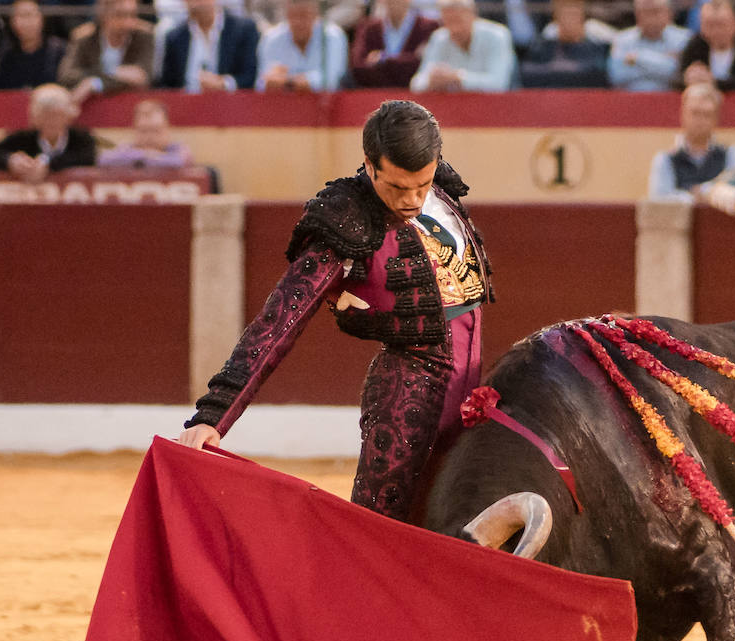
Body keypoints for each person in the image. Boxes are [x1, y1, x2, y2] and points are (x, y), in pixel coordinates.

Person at [178, 100, 493, 523]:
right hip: (408, 396)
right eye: (398, 188)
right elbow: (281, 318)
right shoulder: (347, 218)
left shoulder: (439, 190)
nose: (414, 200)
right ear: (371, 164)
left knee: (462, 522)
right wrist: (214, 414)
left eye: (422, 184)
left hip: (471, 393)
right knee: (379, 526)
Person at [0, 82, 98, 180]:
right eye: (45, 115)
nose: (51, 121)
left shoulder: (82, 138)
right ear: (35, 118)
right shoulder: (23, 138)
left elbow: (88, 158)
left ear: (68, 117)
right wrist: (9, 160)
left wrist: (48, 165)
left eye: (57, 115)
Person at [647, 83, 735, 201]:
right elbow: (659, 200)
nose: (700, 121)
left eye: (707, 115)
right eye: (695, 113)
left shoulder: (731, 154)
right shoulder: (665, 159)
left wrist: (702, 192)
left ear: (716, 119)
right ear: (683, 115)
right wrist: (699, 196)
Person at [58, 0, 154, 104]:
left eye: (133, 15)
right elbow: (67, 75)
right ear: (104, 15)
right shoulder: (84, 37)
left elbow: (143, 77)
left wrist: (95, 83)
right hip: (92, 105)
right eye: (120, 15)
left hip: (131, 102)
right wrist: (114, 74)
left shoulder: (144, 35)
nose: (128, 23)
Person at [409, 0, 515, 92]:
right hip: (453, 108)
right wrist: (431, 81)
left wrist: (458, 78)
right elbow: (416, 84)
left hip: (497, 108)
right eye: (448, 22)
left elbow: (498, 84)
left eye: (458, 20)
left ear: (473, 15)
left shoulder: (498, 35)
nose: (455, 29)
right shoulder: (439, 38)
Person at [161, 0, 258, 91]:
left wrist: (223, 84)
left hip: (230, 103)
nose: (196, 3)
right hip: (187, 104)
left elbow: (250, 76)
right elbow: (168, 83)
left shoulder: (243, 30)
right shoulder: (175, 37)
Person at [676, 0, 735, 91]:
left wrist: (714, 82)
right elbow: (676, 78)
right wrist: (688, 79)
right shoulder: (695, 45)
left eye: (721, 24)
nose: (716, 31)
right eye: (710, 25)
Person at [255, 0, 348, 91]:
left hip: (325, 105)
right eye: (293, 16)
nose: (298, 22)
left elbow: (329, 82)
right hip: (283, 104)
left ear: (316, 15)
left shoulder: (333, 36)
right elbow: (262, 84)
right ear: (286, 15)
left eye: (304, 15)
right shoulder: (271, 39)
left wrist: (287, 82)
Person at [348, 0, 439, 88]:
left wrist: (382, 59)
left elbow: (422, 66)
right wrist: (404, 63)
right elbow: (358, 66)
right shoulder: (368, 28)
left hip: (416, 99)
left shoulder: (429, 27)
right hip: (375, 96)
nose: (395, 1)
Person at [519, 0, 610, 88]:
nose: (569, 19)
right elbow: (527, 72)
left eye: (574, 14)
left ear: (582, 15)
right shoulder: (545, 45)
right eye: (565, 14)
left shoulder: (595, 46)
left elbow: (596, 73)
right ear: (556, 16)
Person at [607, 0, 690, 91]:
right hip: (630, 99)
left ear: (669, 13)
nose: (651, 17)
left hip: (671, 99)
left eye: (656, 11)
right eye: (645, 12)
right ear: (636, 15)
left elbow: (677, 75)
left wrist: (637, 59)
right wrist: (664, 62)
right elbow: (617, 76)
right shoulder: (622, 39)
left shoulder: (684, 39)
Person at [0, 0, 65, 90]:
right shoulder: (4, 55)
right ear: (11, 21)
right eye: (20, 16)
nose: (26, 23)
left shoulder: (58, 51)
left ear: (43, 18)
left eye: (29, 15)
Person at [98, 97, 193, 167]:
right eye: (144, 131)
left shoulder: (177, 149)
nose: (149, 137)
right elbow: (104, 159)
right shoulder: (126, 149)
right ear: (134, 130)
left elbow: (179, 161)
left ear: (167, 129)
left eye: (155, 130)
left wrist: (150, 157)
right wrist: (144, 155)